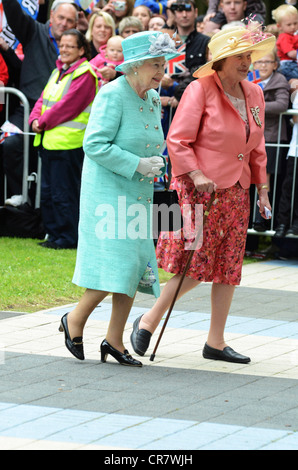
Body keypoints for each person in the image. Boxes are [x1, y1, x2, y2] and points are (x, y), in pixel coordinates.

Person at [130, 24, 276, 364]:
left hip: (237, 191)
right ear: (221, 60)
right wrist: (196, 173)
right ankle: (149, 320)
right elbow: (178, 140)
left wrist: (263, 188)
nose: (246, 62)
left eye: (248, 56)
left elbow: (257, 146)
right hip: (198, 190)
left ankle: (216, 341)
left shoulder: (254, 93)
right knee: (193, 264)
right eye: (239, 56)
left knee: (228, 266)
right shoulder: (200, 89)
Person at [59, 31, 179, 366]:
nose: (161, 70)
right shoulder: (112, 94)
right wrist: (137, 164)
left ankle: (114, 340)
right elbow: (94, 144)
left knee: (136, 266)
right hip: (109, 192)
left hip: (139, 192)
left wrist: (157, 163)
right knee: (119, 265)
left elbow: (151, 141)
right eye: (155, 64)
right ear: (135, 66)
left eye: (163, 64)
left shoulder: (152, 98)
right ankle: (75, 319)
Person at [1, 0, 78, 205]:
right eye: (60, 17)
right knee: (7, 141)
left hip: (61, 117)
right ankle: (20, 194)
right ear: (51, 16)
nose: (64, 23)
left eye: (70, 20)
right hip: (26, 110)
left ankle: (47, 207)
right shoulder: (33, 31)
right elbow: (13, 10)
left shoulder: (78, 47)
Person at [29, 29, 98, 249]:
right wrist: (34, 118)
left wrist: (43, 121)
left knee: (64, 193)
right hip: (49, 142)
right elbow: (43, 99)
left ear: (81, 49)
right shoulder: (58, 71)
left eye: (70, 46)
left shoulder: (85, 73)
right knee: (49, 192)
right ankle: (54, 234)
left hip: (69, 144)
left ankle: (67, 237)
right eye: (62, 45)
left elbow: (68, 106)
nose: (64, 50)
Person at [252, 49, 290, 232]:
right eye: (258, 62)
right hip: (250, 136)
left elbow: (282, 104)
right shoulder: (249, 79)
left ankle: (263, 219)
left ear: (275, 64)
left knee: (265, 181)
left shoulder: (279, 80)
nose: (262, 66)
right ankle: (251, 219)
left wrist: (255, 106)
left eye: (266, 62)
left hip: (272, 137)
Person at [165, 0, 210, 101]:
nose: (184, 15)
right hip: (165, 100)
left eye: (188, 10)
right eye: (180, 10)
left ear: (196, 12)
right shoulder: (165, 39)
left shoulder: (206, 41)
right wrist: (169, 21)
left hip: (194, 98)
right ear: (174, 13)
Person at [275, 87, 298, 238]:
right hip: (295, 150)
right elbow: (295, 118)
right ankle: (282, 224)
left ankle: (296, 223)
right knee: (288, 188)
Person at [272, 4, 298, 81]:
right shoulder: (284, 37)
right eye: (289, 24)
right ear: (279, 26)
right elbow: (291, 54)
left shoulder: (293, 35)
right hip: (288, 65)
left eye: (295, 23)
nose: (293, 27)